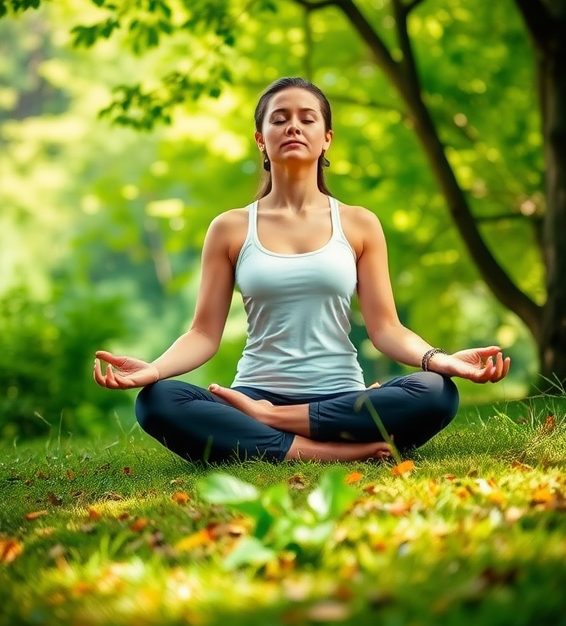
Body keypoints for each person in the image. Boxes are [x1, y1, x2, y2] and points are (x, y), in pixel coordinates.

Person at [94, 76, 510, 465]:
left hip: (339, 396)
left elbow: (386, 330)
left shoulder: (359, 223)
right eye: (279, 119)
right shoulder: (231, 228)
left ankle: (273, 424)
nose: (293, 126)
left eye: (307, 119)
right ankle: (321, 450)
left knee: (437, 393)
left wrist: (440, 361)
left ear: (326, 138)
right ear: (261, 139)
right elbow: (203, 334)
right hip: (255, 392)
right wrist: (154, 369)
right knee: (157, 401)